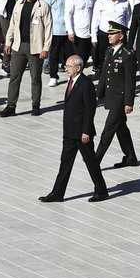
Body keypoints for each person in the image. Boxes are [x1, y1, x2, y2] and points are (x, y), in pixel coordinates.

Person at [39, 55, 108, 203]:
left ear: (78, 68)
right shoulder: (71, 81)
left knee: (91, 162)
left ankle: (101, 191)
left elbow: (90, 110)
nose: (66, 69)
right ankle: (57, 193)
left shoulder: (86, 84)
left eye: (69, 66)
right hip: (70, 133)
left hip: (82, 133)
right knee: (65, 162)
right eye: (66, 66)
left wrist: (86, 131)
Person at [0, 0, 53, 117]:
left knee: (35, 78)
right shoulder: (18, 4)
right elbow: (12, 25)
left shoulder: (43, 6)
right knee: (15, 77)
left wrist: (46, 48)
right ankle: (11, 106)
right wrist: (8, 42)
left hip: (35, 47)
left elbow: (49, 28)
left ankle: (36, 105)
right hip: (19, 46)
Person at [95, 21, 138, 168]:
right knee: (121, 129)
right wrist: (98, 93)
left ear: (121, 36)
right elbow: (104, 75)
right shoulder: (109, 51)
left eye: (112, 34)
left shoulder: (128, 54)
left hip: (120, 98)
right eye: (109, 33)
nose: (109, 36)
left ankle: (95, 159)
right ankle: (131, 157)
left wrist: (129, 102)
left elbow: (130, 81)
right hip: (111, 96)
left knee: (108, 130)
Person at [44, 0, 72, 87]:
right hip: (56, 29)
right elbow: (45, 11)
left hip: (69, 29)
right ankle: (53, 76)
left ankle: (72, 75)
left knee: (69, 54)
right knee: (54, 54)